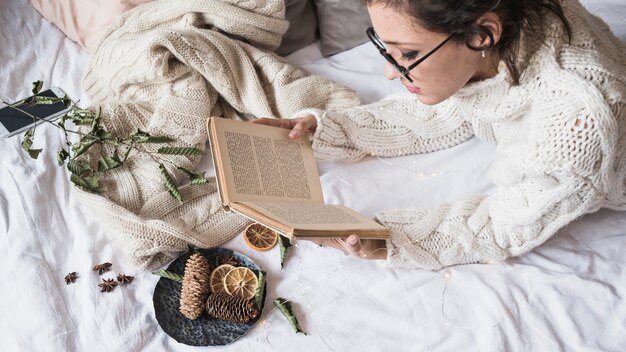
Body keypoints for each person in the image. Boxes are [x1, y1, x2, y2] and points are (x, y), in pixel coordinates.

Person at [254, 0, 626, 269]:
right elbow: (455, 107)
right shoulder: (511, 22)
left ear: (483, 34)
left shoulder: (578, 122)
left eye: (407, 54)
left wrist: (386, 241)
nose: (389, 75)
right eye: (386, 49)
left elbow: (503, 226)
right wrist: (329, 129)